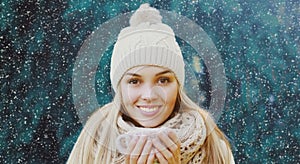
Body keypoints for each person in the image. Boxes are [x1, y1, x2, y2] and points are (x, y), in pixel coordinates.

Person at [67, 3, 234, 164]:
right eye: (134, 81)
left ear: (178, 86)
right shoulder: (92, 144)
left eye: (163, 80)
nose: (149, 95)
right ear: (119, 88)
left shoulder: (211, 146)